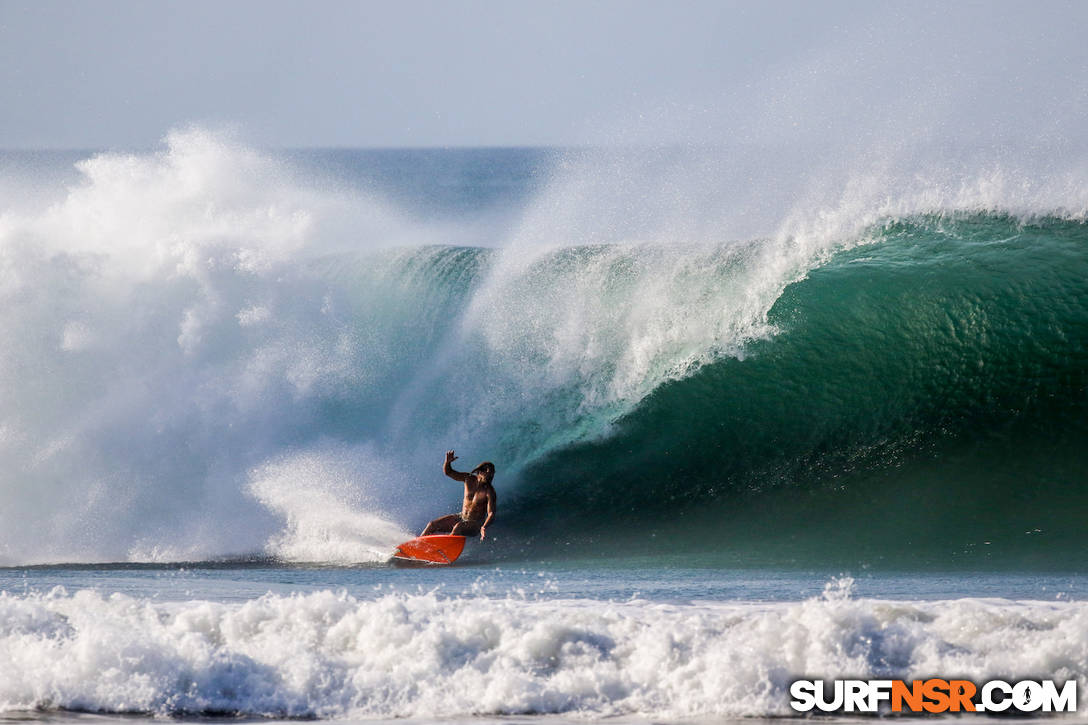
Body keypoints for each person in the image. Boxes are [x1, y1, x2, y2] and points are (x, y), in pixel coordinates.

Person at [421, 450, 496, 540]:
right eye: (488, 474)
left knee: (458, 526)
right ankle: (417, 546)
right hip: (461, 517)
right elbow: (449, 472)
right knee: (432, 524)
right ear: (479, 472)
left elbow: (491, 513)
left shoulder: (489, 491)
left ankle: (445, 549)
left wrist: (484, 526)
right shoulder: (468, 479)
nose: (490, 477)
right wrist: (447, 463)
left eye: (492, 475)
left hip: (476, 524)